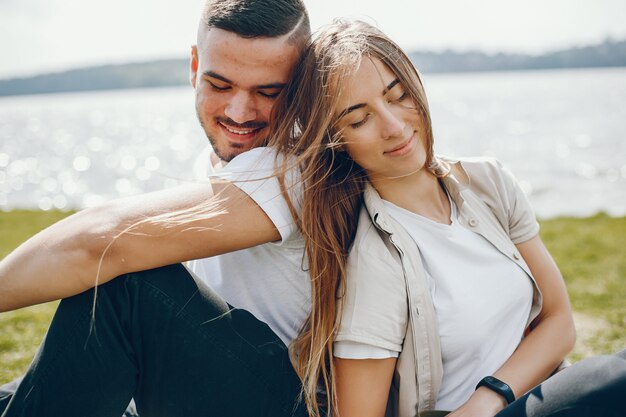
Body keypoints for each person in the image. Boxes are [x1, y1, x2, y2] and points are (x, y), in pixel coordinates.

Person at [264, 18, 626, 417]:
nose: (395, 126)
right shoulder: (375, 267)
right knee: (614, 377)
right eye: (359, 119)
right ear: (337, 141)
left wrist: (488, 399)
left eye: (398, 95)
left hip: (533, 397)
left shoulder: (488, 182)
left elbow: (559, 322)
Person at [0, 0, 314, 416]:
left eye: (268, 92)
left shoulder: (297, 169)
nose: (239, 112)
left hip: (286, 403)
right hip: (205, 382)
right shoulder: (219, 168)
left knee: (125, 280)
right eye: (220, 85)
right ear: (194, 66)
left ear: (303, 85)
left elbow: (97, 242)